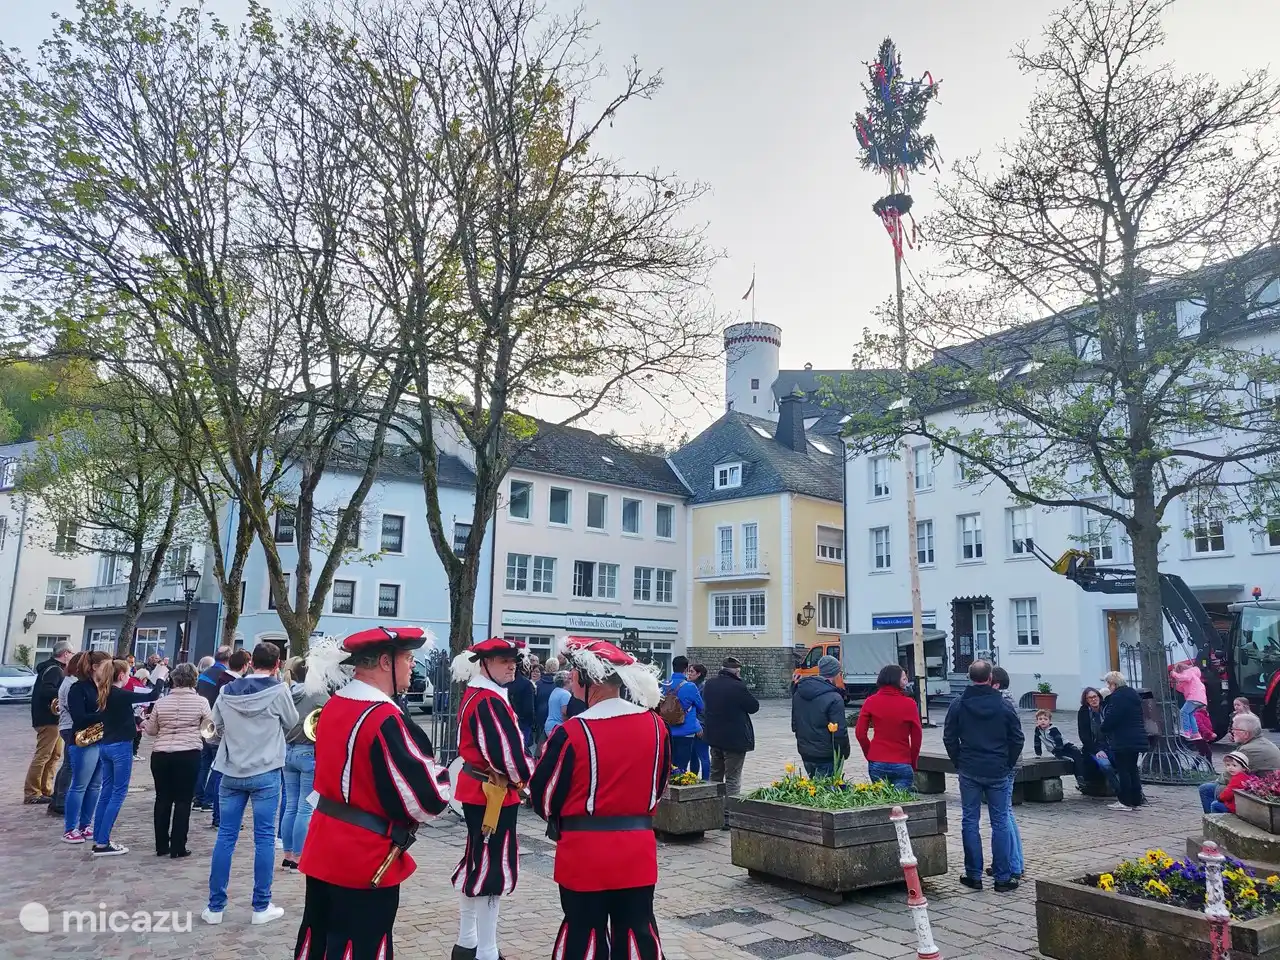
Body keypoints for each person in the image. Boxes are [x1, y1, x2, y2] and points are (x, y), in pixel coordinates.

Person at [293, 627, 451, 960]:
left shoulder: (336, 704)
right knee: (360, 944)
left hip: (325, 843)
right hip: (362, 854)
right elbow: (427, 800)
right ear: (384, 662)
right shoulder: (383, 716)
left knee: (321, 938)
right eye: (407, 658)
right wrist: (446, 777)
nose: (411, 666)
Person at [529, 637, 669, 960]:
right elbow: (657, 787)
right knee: (637, 932)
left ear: (584, 679)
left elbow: (543, 797)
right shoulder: (656, 726)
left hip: (584, 855)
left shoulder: (571, 732)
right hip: (637, 851)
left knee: (584, 935)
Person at [203, 642, 298, 926]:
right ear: (277, 664)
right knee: (265, 839)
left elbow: (213, 727)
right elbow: (292, 723)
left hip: (232, 770)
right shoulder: (279, 690)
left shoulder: (226, 691)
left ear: (250, 662)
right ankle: (261, 905)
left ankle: (215, 907)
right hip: (266, 769)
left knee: (225, 838)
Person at [450, 638, 533, 960]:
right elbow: (507, 755)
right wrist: (530, 781)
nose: (511, 665)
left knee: (478, 862)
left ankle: (468, 942)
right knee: (490, 869)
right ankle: (485, 951)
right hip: (491, 793)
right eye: (502, 660)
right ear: (485, 664)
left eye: (513, 660)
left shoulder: (481, 695)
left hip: (484, 790)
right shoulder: (488, 700)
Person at [942, 660, 1023, 892]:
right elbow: (1017, 738)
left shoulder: (958, 704)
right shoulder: (1003, 705)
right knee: (1000, 822)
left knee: (970, 820)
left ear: (969, 677)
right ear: (990, 678)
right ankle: (1003, 877)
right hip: (997, 769)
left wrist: (959, 761)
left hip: (970, 768)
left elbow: (949, 737)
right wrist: (1007, 763)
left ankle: (974, 875)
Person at [88, 659, 163, 855]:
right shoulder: (119, 694)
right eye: (128, 673)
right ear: (121, 676)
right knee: (118, 793)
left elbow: (123, 713)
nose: (129, 676)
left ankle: (99, 838)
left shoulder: (105, 693)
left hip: (106, 745)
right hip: (120, 746)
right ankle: (103, 842)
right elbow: (153, 695)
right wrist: (161, 676)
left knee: (107, 792)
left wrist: (138, 720)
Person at [144, 662, 210, 858]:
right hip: (188, 752)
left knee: (162, 798)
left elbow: (151, 730)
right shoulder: (201, 702)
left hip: (161, 753)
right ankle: (178, 845)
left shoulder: (161, 702)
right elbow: (208, 728)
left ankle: (161, 844)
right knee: (183, 799)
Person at [281, 657, 329, 870]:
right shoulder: (317, 694)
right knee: (305, 808)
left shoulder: (287, 693)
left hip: (288, 751)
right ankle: (299, 857)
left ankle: (288, 854)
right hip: (308, 752)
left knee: (290, 806)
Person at [63, 650, 111, 843]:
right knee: (79, 785)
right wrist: (105, 715)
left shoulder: (102, 687)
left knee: (95, 786)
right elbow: (80, 718)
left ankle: (85, 825)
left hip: (101, 739)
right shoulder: (79, 688)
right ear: (94, 668)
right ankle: (70, 828)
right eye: (106, 667)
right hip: (84, 740)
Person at [202, 648, 250, 827]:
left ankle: (217, 815)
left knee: (217, 773)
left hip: (216, 730)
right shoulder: (234, 684)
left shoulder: (218, 678)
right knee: (221, 777)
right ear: (245, 666)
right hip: (228, 734)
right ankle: (220, 817)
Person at [701, 656, 760, 801]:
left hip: (714, 737)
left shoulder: (709, 684)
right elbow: (753, 707)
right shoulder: (737, 686)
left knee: (715, 774)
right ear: (737, 671)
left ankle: (712, 807)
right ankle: (729, 813)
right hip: (734, 740)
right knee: (732, 778)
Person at [856, 663, 922, 790]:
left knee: (881, 803)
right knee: (900, 804)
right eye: (904, 678)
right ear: (896, 681)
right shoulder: (910, 704)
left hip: (877, 759)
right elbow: (916, 737)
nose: (907, 681)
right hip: (902, 761)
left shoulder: (870, 701)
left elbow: (860, 734)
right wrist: (913, 761)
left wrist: (870, 753)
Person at [1199, 712, 1280, 812]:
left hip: (1261, 797)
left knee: (1207, 790)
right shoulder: (1263, 742)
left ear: (1245, 734)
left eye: (1234, 729)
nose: (1232, 732)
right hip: (1266, 792)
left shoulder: (1247, 750)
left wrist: (1218, 785)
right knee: (1212, 787)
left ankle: (1213, 822)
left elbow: (1226, 777)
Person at [27, 639, 73, 804]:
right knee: (43, 755)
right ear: (65, 653)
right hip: (48, 718)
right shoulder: (54, 670)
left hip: (53, 718)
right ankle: (32, 792)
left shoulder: (54, 668)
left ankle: (46, 789)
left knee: (55, 755)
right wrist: (65, 692)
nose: (72, 656)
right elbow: (47, 691)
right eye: (71, 653)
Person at [990, 666, 1025, 882]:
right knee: (1007, 813)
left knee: (1004, 815)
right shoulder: (1008, 700)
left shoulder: (1001, 703)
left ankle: (1012, 864)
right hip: (1010, 762)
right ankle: (1014, 861)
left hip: (1006, 763)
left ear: (995, 683)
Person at [792, 655, 849, 777]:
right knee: (828, 791)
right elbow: (839, 731)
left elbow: (795, 723)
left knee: (814, 790)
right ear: (835, 673)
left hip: (806, 751)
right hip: (826, 755)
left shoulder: (798, 692)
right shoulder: (834, 698)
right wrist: (843, 752)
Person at [1099, 671, 1148, 812]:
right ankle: (1136, 799)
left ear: (1113, 684)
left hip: (1123, 739)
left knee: (1123, 770)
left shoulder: (1118, 697)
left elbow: (1112, 717)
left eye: (1108, 684)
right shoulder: (1132, 694)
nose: (1108, 687)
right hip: (1136, 737)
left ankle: (1125, 801)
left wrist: (1103, 727)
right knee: (1132, 769)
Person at [49, 651, 87, 817]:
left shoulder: (71, 681)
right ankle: (61, 801)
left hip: (68, 725)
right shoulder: (72, 684)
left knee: (68, 764)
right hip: (71, 725)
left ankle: (57, 798)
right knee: (70, 765)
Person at [662, 655, 705, 773]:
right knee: (682, 766)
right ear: (685, 669)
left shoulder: (663, 684)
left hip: (667, 730)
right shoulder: (690, 686)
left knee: (669, 764)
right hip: (686, 731)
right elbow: (701, 707)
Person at [1033, 709, 1086, 787]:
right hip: (1055, 750)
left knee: (1077, 756)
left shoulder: (1053, 730)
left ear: (1049, 721)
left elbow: (1059, 741)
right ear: (1037, 721)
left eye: (1045, 719)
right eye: (1040, 719)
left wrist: (1059, 751)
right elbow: (1037, 742)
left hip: (1066, 746)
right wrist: (1038, 754)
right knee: (1069, 759)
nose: (1042, 721)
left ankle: (1080, 778)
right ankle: (1080, 779)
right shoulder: (1038, 730)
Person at [1169, 660, 1208, 741]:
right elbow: (1181, 688)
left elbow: (1184, 677)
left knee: (1183, 712)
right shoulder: (1193, 677)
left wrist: (1173, 674)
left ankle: (1186, 731)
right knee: (1190, 714)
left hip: (1194, 697)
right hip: (1200, 699)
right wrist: (1173, 684)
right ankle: (1195, 733)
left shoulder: (1189, 672)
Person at [508, 657, 537, 751]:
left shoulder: (504, 682)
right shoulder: (526, 684)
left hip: (508, 722)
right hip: (522, 724)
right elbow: (529, 709)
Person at [533, 656, 560, 754]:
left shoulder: (538, 684)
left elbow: (535, 701)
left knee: (539, 743)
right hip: (554, 717)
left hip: (540, 715)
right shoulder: (559, 684)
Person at [544, 672, 572, 739]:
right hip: (558, 727)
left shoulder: (555, 691)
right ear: (566, 681)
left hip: (549, 726)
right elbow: (564, 713)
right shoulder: (565, 694)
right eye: (571, 679)